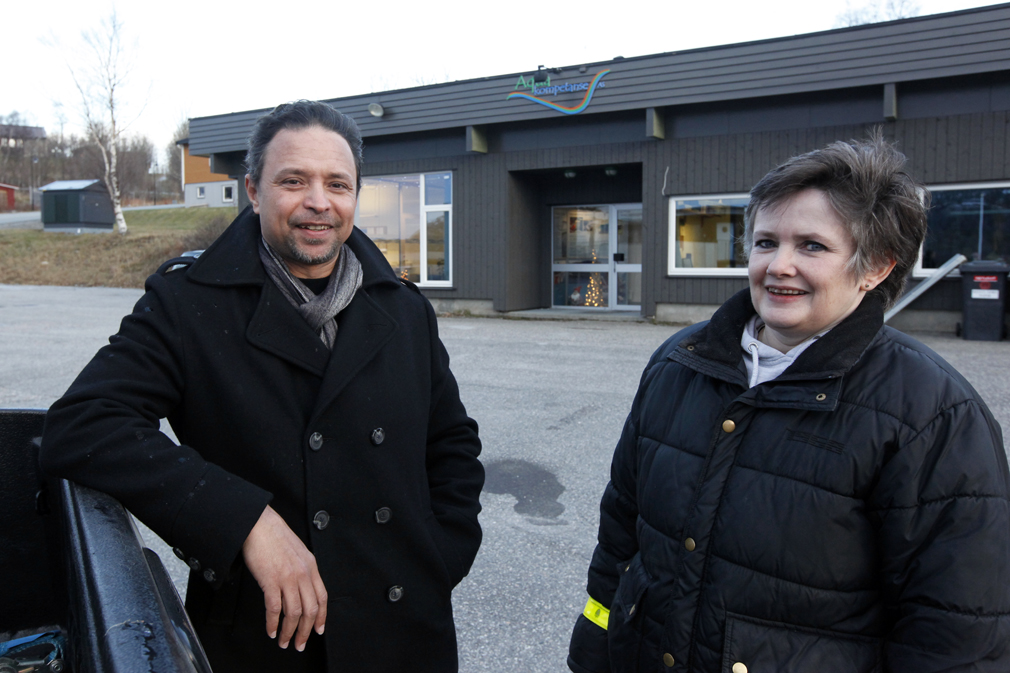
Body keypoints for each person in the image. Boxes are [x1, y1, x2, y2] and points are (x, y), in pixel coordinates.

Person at [41, 101, 484, 672]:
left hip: (404, 634)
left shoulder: (403, 309)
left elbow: (452, 444)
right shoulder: (188, 305)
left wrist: (439, 558)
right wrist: (247, 521)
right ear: (253, 190)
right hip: (266, 641)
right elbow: (83, 424)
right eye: (293, 181)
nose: (318, 201)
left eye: (337, 184)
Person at [567, 135, 1010, 673]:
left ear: (875, 267)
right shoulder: (678, 363)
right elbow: (620, 533)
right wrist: (594, 646)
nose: (779, 265)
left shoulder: (932, 414)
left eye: (812, 246)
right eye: (765, 242)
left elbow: (956, 633)